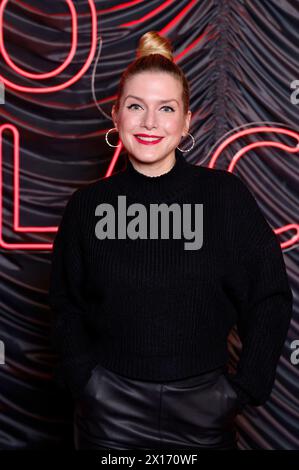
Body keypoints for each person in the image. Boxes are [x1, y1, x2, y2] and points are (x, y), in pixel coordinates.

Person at [48, 31, 293, 451]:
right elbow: (65, 305)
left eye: (166, 109)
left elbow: (270, 296)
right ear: (116, 116)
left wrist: (242, 388)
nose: (149, 122)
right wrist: (85, 381)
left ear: (185, 123)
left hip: (203, 410)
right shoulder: (87, 207)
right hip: (110, 413)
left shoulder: (225, 197)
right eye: (135, 107)